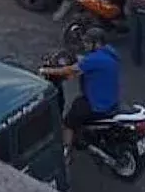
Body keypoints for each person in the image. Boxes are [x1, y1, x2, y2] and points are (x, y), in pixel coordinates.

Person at [39, 26, 120, 156]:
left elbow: (68, 71)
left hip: (96, 104)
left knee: (68, 121)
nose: (85, 45)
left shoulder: (94, 60)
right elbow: (85, 63)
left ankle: (65, 152)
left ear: (97, 43)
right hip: (111, 100)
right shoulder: (110, 53)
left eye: (88, 42)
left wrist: (46, 71)